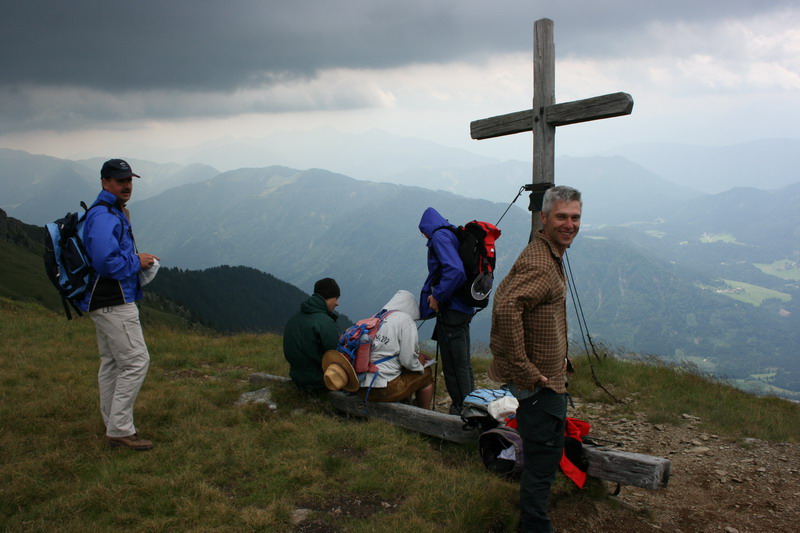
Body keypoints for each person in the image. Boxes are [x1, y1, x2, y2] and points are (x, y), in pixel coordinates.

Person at [488, 185, 582, 533]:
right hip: (541, 384)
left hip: (547, 376)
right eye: (561, 217)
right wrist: (525, 369)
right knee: (543, 460)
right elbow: (506, 306)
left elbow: (520, 305)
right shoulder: (541, 262)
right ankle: (534, 526)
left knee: (544, 451)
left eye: (575, 217)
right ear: (543, 218)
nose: (569, 224)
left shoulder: (546, 253)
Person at [77, 158, 160, 451]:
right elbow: (106, 262)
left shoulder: (111, 211)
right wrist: (137, 261)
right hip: (114, 300)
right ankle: (121, 429)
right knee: (136, 361)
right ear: (105, 182)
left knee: (112, 362)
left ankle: (112, 422)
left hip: (104, 300)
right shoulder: (105, 216)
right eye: (119, 180)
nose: (126, 186)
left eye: (129, 180)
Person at [322, 290, 434, 409]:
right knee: (426, 373)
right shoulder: (406, 320)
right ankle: (424, 412)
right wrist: (420, 363)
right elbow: (408, 361)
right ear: (412, 308)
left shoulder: (377, 317)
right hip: (384, 389)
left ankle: (405, 401)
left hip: (360, 387)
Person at [418, 207, 474, 414]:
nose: (424, 237)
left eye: (423, 233)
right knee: (463, 362)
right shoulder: (451, 233)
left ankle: (463, 409)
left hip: (452, 310)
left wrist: (438, 296)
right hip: (463, 307)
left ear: (426, 228)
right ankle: (471, 403)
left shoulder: (440, 237)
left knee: (453, 365)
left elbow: (455, 270)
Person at [283, 278, 341, 391]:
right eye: (336, 298)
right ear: (329, 297)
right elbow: (336, 355)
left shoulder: (294, 319)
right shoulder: (324, 322)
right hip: (320, 382)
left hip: (297, 379)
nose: (337, 303)